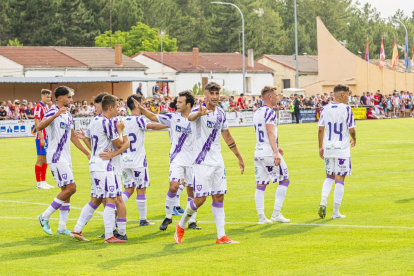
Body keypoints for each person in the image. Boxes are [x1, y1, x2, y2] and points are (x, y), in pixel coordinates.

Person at [174, 82, 245, 244]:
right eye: (211, 93)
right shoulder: (197, 111)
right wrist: (199, 114)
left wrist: (239, 156)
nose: (214, 96)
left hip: (217, 162)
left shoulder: (221, 113)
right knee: (200, 200)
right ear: (205, 94)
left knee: (219, 197)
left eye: (216, 93)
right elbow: (191, 118)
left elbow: (227, 136)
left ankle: (221, 236)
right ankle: (181, 224)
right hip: (201, 162)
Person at [138, 91, 201, 231]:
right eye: (177, 102)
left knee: (191, 190)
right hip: (176, 158)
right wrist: (141, 109)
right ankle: (168, 217)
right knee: (173, 186)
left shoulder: (197, 119)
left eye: (180, 102)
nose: (176, 104)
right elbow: (154, 117)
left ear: (188, 104)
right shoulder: (172, 117)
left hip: (192, 159)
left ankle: (192, 221)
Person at [70, 94, 127, 243]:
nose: (118, 110)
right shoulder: (107, 123)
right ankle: (109, 236)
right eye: (116, 107)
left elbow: (91, 144)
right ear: (110, 107)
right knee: (111, 199)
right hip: (104, 165)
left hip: (95, 162)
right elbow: (119, 144)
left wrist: (84, 138)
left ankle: (77, 229)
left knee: (95, 200)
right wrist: (120, 130)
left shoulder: (94, 121)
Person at [37, 86, 91, 236]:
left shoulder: (68, 115)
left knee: (66, 192)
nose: (71, 100)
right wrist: (54, 116)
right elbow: (38, 127)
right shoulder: (53, 111)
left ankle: (62, 227)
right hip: (56, 156)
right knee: (71, 188)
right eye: (69, 97)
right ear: (60, 98)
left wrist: (87, 153)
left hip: (66, 157)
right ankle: (44, 216)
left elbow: (73, 137)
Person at [115, 95, 168, 227]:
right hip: (138, 161)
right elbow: (153, 126)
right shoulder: (139, 120)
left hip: (125, 160)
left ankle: (116, 208)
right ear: (138, 104)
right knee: (141, 189)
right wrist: (168, 125)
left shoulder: (121, 120)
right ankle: (143, 219)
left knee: (128, 188)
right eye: (143, 102)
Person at [317, 84, 356, 219]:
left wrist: (320, 147)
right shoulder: (347, 109)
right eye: (348, 95)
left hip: (328, 148)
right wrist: (354, 139)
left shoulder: (325, 109)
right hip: (342, 149)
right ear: (343, 95)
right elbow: (351, 129)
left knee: (329, 176)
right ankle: (335, 212)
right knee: (340, 179)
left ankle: (323, 202)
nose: (349, 98)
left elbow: (320, 129)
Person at [253, 86, 291, 225]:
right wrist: (275, 151)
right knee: (285, 180)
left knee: (261, 184)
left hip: (258, 151)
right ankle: (276, 214)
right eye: (276, 95)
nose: (277, 98)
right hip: (268, 152)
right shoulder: (270, 112)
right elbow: (269, 132)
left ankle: (261, 217)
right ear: (270, 97)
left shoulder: (257, 112)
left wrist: (276, 146)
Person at [33, 90, 54, 189]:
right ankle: (38, 183)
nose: (49, 99)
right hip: (41, 137)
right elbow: (37, 123)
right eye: (47, 97)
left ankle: (43, 181)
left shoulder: (46, 107)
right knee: (40, 159)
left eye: (50, 97)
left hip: (47, 137)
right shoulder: (38, 107)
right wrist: (41, 137)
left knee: (45, 159)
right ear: (42, 96)